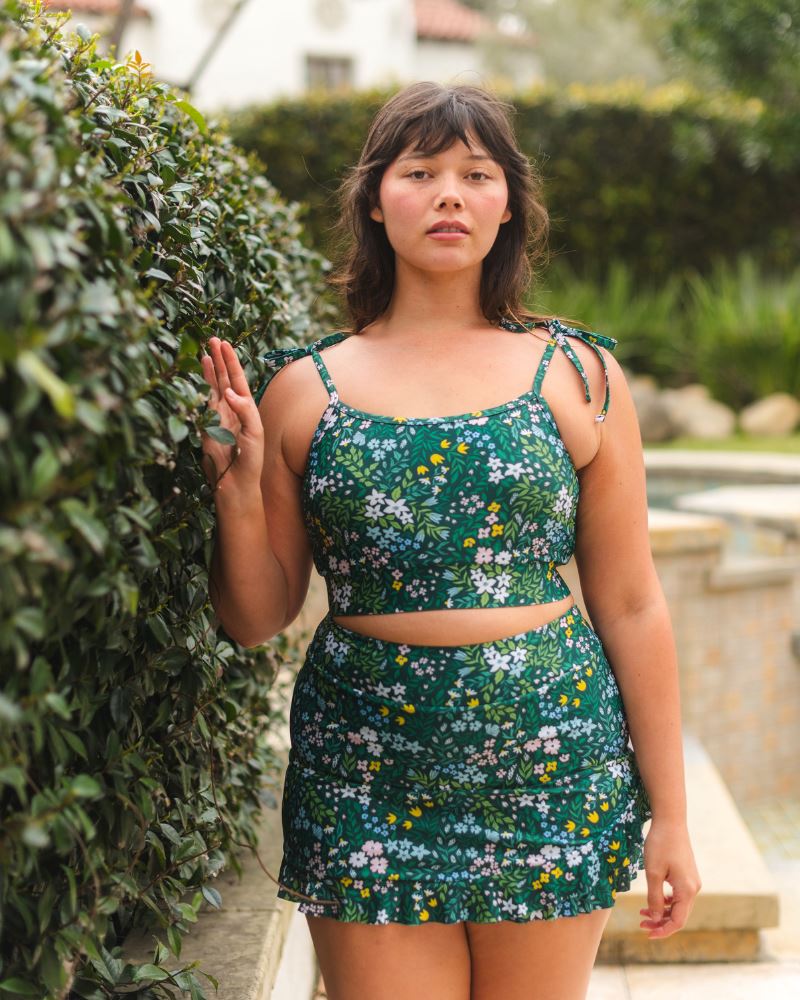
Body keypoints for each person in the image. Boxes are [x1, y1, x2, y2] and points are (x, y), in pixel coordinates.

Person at [201, 82, 701, 1000]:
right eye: (419, 171)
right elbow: (254, 617)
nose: (448, 195)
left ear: (508, 202)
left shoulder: (579, 374)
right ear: (374, 197)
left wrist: (671, 815)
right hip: (364, 766)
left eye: (476, 173)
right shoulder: (303, 389)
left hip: (552, 761)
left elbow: (632, 604)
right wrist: (236, 491)